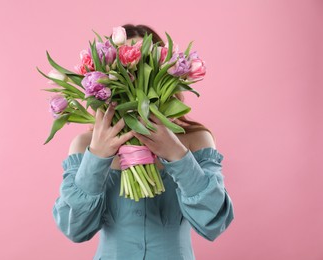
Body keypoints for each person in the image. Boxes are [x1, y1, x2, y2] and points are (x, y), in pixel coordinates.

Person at [52, 24, 234, 260]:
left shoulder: (195, 139)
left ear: (164, 69)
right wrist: (97, 157)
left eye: (145, 60)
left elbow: (214, 223)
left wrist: (177, 155)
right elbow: (74, 229)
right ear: (105, 72)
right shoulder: (87, 144)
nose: (134, 71)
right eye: (124, 59)